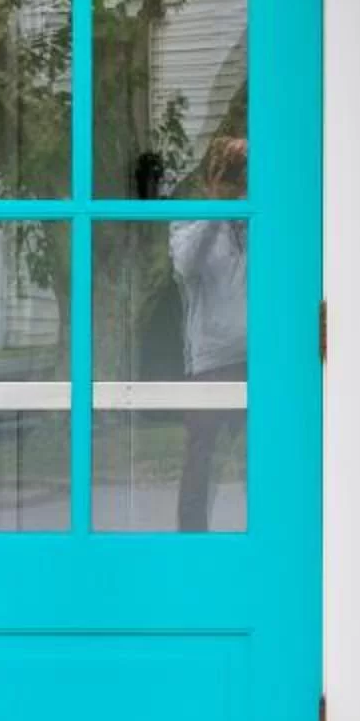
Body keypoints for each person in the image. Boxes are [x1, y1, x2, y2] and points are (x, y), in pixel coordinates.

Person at [168, 130, 247, 530]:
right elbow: (185, 264)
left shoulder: (262, 216)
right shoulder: (192, 222)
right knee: (200, 460)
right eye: (231, 169)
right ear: (209, 177)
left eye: (243, 168)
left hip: (258, 358)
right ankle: (192, 542)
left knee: (260, 461)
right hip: (210, 361)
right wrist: (218, 204)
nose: (239, 177)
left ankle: (265, 541)